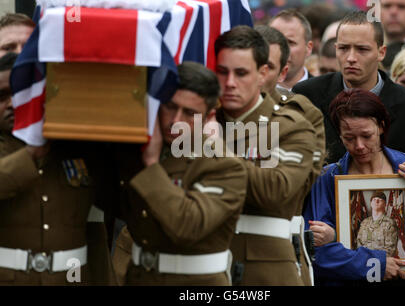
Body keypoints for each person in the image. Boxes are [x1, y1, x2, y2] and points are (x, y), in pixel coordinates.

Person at [120, 61, 248, 286]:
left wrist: (150, 164)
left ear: (208, 117)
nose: (175, 120)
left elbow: (188, 226)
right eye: (170, 106)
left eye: (189, 112)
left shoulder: (225, 165)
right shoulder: (142, 150)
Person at [304, 88, 405, 286]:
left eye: (366, 135)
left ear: (381, 126)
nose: (359, 146)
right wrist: (374, 264)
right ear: (339, 135)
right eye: (349, 138)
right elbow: (316, 252)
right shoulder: (327, 179)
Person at [0, 52, 116, 285]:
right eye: (3, 96)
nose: (13, 103)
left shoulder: (78, 149)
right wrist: (32, 153)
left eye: (23, 92)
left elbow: (119, 205)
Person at [214, 25, 316, 286]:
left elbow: (276, 192)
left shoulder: (292, 125)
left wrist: (216, 147)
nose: (230, 83)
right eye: (222, 72)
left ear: (262, 74)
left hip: (262, 270)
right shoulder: (198, 122)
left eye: (241, 73)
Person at [292, 10, 405, 178]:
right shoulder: (307, 96)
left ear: (381, 52)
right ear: (336, 48)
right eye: (344, 48)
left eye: (362, 49)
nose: (351, 57)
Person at [255, 24, 326, 286]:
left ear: (283, 72)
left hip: (277, 255)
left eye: (267, 67)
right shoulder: (215, 115)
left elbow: (288, 190)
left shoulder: (301, 115)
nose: (256, 76)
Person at [269, 8, 314, 91]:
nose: (282, 50)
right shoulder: (254, 92)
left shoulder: (323, 93)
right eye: (275, 41)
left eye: (290, 42)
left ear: (308, 48)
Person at [357, 191, 399, 257]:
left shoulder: (389, 223)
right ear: (371, 203)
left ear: (385, 204)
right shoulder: (364, 223)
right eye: (374, 200)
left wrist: (374, 260)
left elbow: (390, 249)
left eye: (380, 200)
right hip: (364, 262)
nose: (376, 202)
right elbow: (359, 244)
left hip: (382, 263)